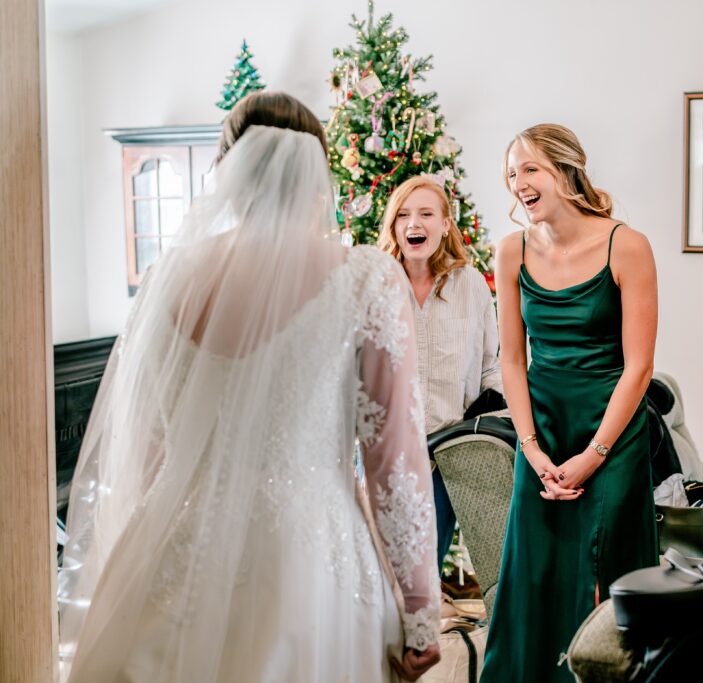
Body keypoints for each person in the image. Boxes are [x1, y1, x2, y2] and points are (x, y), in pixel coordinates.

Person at [57, 91, 440, 682]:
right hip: (311, 562)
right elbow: (393, 458)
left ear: (227, 171)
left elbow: (149, 445)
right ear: (316, 177)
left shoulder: (165, 280)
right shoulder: (366, 278)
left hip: (178, 547)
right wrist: (419, 608)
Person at [480, 124, 658, 683]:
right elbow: (512, 359)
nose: (518, 184)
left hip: (613, 431)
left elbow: (640, 367)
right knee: (533, 572)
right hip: (542, 431)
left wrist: (596, 452)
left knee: (604, 569)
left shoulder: (625, 245)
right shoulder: (510, 252)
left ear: (565, 169)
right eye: (512, 173)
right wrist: (530, 449)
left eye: (529, 169)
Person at [378, 175, 503, 571]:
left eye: (427, 214)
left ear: (446, 224)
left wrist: (496, 421)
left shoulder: (472, 285)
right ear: (394, 226)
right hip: (387, 452)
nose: (414, 223)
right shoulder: (374, 286)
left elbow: (492, 364)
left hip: (447, 453)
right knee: (382, 571)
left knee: (424, 569)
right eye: (404, 215)